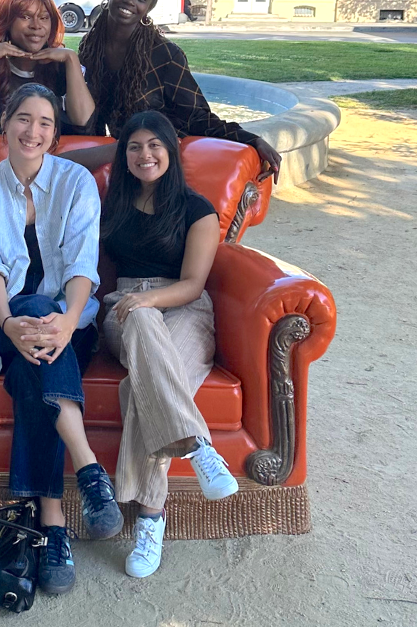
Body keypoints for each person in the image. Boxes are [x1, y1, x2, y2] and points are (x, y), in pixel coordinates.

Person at [0, 83, 123, 596]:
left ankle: (53, 525)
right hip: (5, 326)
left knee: (38, 358)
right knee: (31, 310)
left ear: (56, 134)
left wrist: (70, 318)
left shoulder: (76, 182)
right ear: (4, 125)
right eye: (24, 119)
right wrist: (10, 322)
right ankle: (89, 469)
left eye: (46, 123)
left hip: (70, 327)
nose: (34, 131)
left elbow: (81, 262)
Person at [98, 110, 240, 579]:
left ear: (171, 151)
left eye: (154, 145)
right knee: (139, 321)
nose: (145, 154)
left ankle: (150, 519)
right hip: (125, 307)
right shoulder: (111, 202)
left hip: (183, 305)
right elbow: (72, 161)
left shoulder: (196, 209)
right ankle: (198, 446)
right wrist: (138, 302)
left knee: (141, 390)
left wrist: (148, 299)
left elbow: (194, 284)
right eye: (134, 146)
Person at [77, 0, 282, 182]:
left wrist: (253, 140)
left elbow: (198, 116)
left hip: (155, 158)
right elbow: (88, 112)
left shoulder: (164, 54)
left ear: (148, 8)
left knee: (63, 162)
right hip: (116, 155)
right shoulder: (91, 46)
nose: (130, 0)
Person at [0, 0, 94, 136]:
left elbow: (83, 120)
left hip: (57, 156)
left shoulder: (63, 66)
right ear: (7, 21)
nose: (36, 25)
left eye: (44, 18)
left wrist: (71, 58)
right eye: (26, 17)